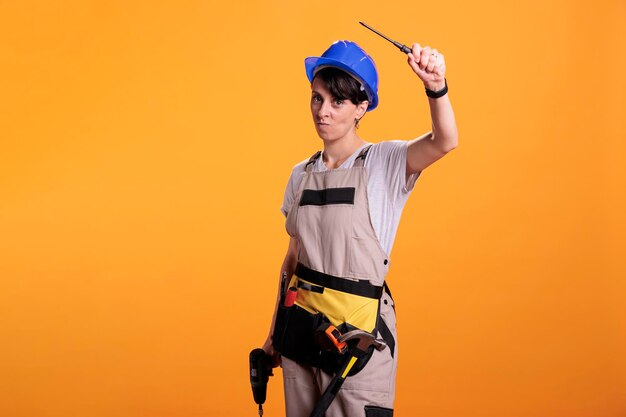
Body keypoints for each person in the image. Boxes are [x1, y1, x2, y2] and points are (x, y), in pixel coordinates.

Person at [262, 39, 458, 417]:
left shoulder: (384, 163)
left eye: (338, 102)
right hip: (300, 336)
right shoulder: (300, 175)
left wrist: (436, 86)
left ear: (361, 107)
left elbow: (444, 141)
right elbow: (292, 262)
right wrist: (274, 335)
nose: (324, 111)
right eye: (317, 98)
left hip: (356, 343)